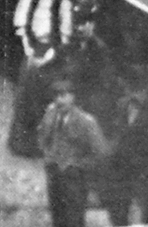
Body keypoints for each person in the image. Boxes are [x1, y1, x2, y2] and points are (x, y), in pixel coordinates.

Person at [7, 0, 74, 157]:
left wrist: (49, 55)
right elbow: (21, 24)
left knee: (44, 98)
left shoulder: (64, 3)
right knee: (24, 97)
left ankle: (41, 145)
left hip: (52, 53)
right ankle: (21, 144)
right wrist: (29, 49)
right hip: (33, 49)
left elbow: (64, 35)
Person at [38, 78, 109, 227]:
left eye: (63, 95)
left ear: (73, 97)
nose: (59, 100)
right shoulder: (50, 115)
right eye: (56, 95)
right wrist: (49, 159)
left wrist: (78, 166)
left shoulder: (86, 121)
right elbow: (43, 138)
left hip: (75, 180)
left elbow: (101, 153)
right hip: (54, 176)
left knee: (74, 220)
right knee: (57, 218)